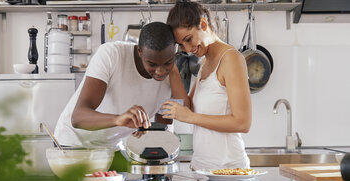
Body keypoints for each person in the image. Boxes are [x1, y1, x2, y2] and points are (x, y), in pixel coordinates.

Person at [54, 22, 189, 171]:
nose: (160, 71)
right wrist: (119, 119)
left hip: (111, 148)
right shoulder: (112, 54)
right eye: (152, 64)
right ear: (139, 51)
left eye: (167, 62)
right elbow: (78, 117)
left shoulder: (170, 77)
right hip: (75, 145)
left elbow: (166, 125)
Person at [164, 0, 252, 170]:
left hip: (228, 170)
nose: (187, 49)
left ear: (203, 24)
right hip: (201, 168)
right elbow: (188, 107)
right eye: (181, 45)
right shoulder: (205, 62)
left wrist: (190, 118)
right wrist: (173, 70)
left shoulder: (231, 59)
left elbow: (242, 123)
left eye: (188, 39)